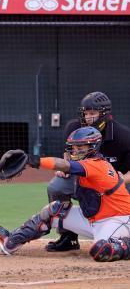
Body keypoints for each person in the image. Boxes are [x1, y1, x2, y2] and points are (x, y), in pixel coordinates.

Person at [0, 126, 130, 262]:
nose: (75, 152)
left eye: (80, 148)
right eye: (74, 148)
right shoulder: (88, 164)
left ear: (93, 147)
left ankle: (124, 244)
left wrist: (32, 160)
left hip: (117, 220)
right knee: (55, 210)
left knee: (102, 250)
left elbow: (65, 165)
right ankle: (11, 242)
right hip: (94, 220)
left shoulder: (95, 164)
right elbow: (68, 167)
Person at [46, 91, 130, 252]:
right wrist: (66, 168)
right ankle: (68, 237)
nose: (88, 118)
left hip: (116, 187)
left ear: (104, 115)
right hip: (84, 180)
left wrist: (122, 180)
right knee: (57, 186)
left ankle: (123, 238)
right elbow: (67, 153)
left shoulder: (123, 136)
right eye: (86, 113)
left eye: (93, 113)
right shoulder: (74, 127)